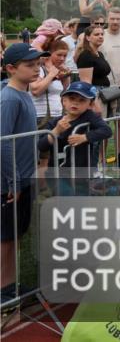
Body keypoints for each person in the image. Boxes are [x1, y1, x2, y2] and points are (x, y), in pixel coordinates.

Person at [2, 43, 47, 309]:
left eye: (37, 63)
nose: (37, 68)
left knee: (14, 236)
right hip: (10, 184)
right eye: (29, 65)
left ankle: (9, 286)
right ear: (10, 68)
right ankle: (4, 290)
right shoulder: (8, 98)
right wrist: (14, 181)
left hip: (22, 178)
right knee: (5, 239)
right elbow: (3, 143)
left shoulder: (24, 94)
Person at [38, 81, 112, 185]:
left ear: (90, 104)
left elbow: (107, 130)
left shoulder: (89, 116)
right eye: (72, 98)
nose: (75, 103)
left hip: (81, 172)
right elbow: (41, 145)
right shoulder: (54, 122)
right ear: (64, 101)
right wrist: (56, 131)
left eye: (82, 100)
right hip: (58, 171)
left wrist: (84, 137)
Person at [30, 39, 71, 126]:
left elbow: (64, 90)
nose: (62, 58)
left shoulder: (57, 70)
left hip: (57, 114)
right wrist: (52, 74)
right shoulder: (40, 69)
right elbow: (35, 91)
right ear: (49, 54)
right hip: (41, 116)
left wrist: (66, 76)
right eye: (59, 55)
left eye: (65, 56)